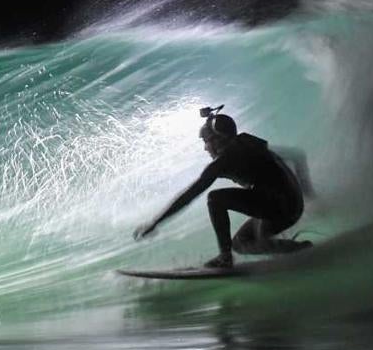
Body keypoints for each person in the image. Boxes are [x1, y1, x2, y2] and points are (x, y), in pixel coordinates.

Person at [133, 105, 315, 268]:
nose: (205, 148)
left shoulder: (223, 161)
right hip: (291, 205)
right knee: (242, 243)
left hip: (279, 207)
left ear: (217, 140)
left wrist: (156, 222)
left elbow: (190, 195)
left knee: (215, 198)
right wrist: (308, 193)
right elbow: (296, 156)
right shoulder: (249, 142)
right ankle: (301, 250)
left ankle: (225, 257)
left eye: (206, 141)